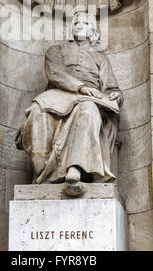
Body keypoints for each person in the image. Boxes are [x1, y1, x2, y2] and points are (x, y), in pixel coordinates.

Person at [16, 12, 123, 197]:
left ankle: (75, 169)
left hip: (90, 98)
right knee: (36, 111)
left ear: (93, 30)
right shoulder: (56, 49)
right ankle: (44, 173)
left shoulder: (101, 58)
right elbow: (55, 73)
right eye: (77, 23)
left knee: (88, 110)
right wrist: (80, 87)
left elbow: (111, 87)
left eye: (85, 23)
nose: (80, 25)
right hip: (58, 94)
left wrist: (115, 95)